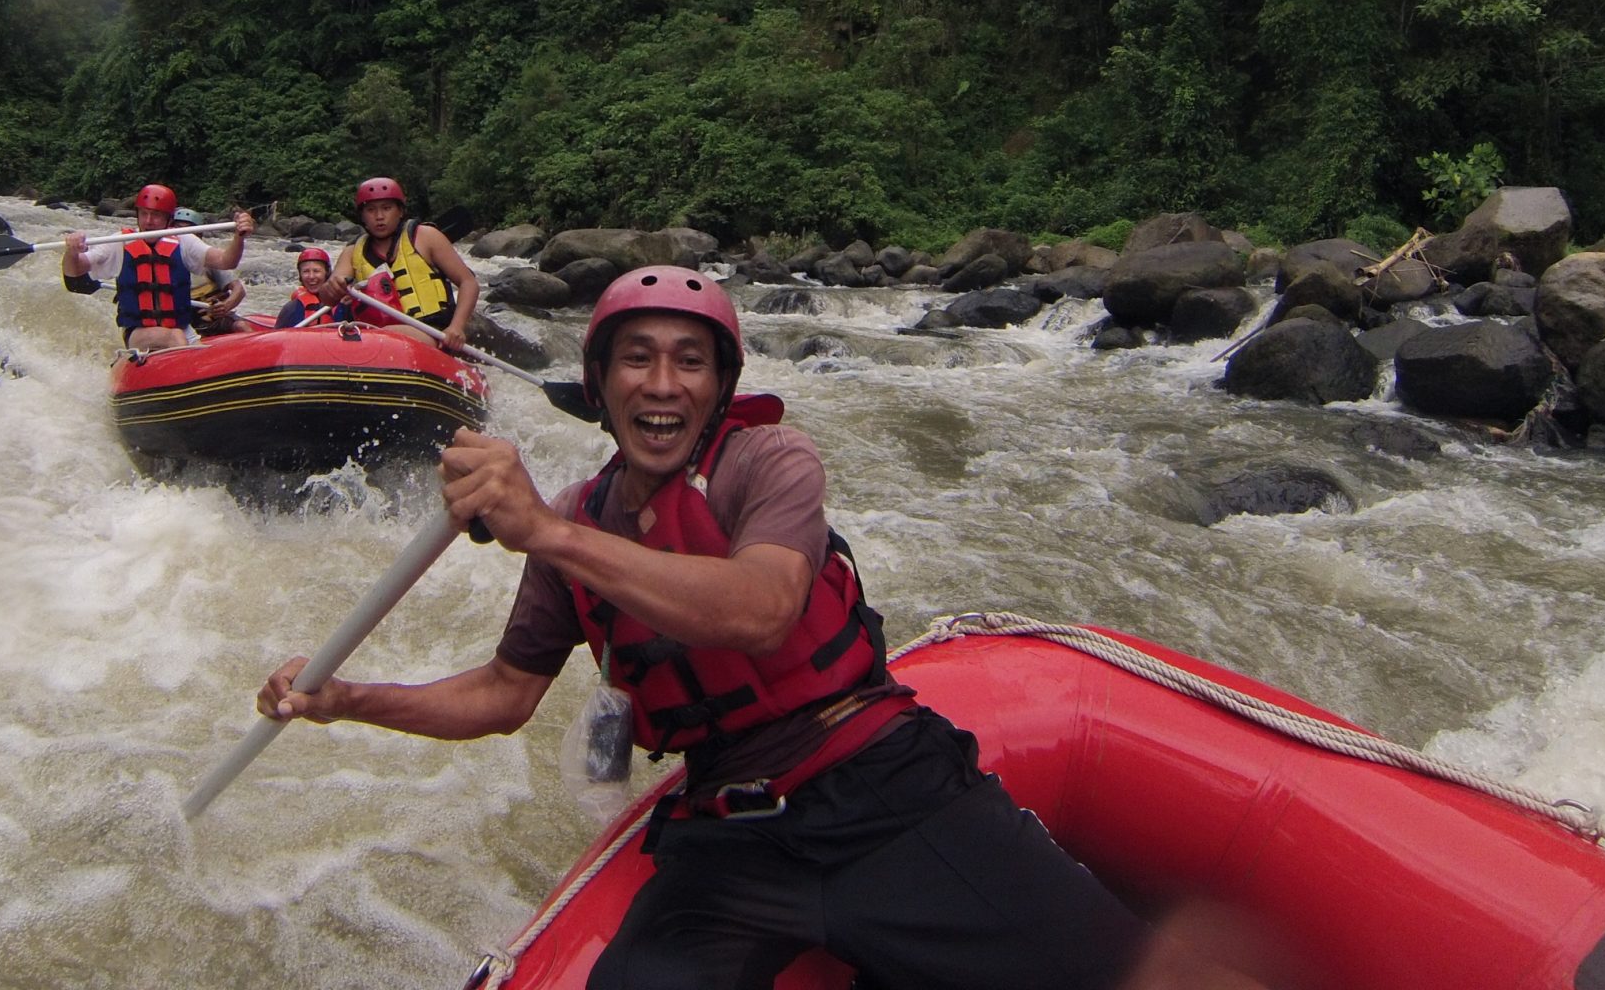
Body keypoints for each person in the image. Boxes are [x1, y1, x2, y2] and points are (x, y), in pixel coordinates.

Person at [258, 266, 1261, 990]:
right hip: (725, 846)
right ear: (600, 387)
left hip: (882, 793)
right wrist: (341, 700)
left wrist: (543, 532)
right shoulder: (574, 520)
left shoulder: (767, 464)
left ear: (719, 384)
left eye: (688, 362)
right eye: (637, 361)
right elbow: (500, 696)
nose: (663, 384)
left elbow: (760, 607)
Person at [61, 184, 254, 351]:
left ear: (168, 220)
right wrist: (72, 252)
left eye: (155, 215)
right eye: (144, 214)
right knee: (175, 338)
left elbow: (226, 261)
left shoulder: (183, 241)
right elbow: (75, 270)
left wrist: (239, 237)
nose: (148, 221)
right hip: (138, 332)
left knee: (189, 342)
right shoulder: (119, 242)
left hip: (181, 327)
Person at [317, 176, 478, 354]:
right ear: (362, 216)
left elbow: (468, 282)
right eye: (371, 210)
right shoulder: (352, 252)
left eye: (386, 208)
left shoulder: (426, 237)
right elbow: (326, 298)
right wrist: (332, 287)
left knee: (385, 336)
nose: (379, 217)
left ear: (400, 211)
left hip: (432, 333)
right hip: (374, 337)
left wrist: (456, 327)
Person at [173, 207, 248, 335]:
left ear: (199, 235)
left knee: (241, 326)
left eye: (189, 231)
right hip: (184, 323)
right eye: (178, 229)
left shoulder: (208, 260)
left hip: (213, 319)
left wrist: (225, 306)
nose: (183, 236)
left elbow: (239, 290)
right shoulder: (162, 259)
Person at [273, 246, 338, 329]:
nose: (311, 276)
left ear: (327, 273)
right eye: (306, 271)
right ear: (300, 275)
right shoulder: (291, 308)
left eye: (316, 271)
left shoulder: (342, 304)